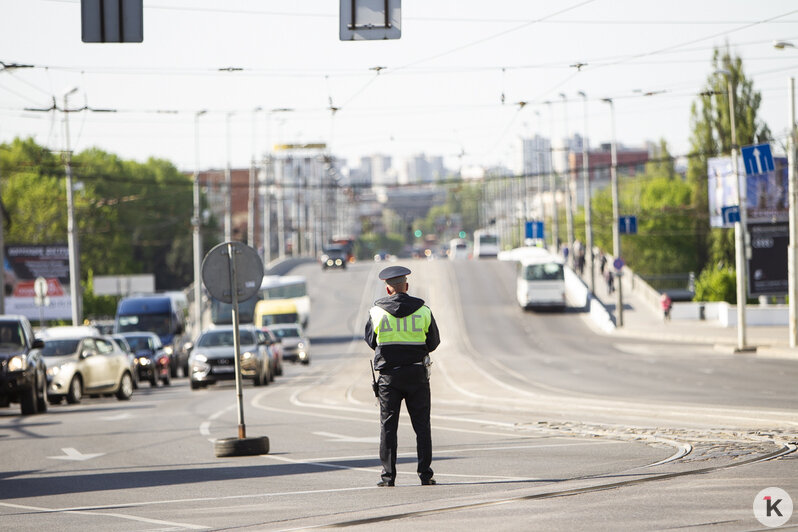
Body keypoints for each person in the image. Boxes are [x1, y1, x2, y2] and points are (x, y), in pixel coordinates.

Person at [364, 265, 440, 487]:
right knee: (422, 426)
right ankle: (425, 474)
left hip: (389, 378)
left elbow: (371, 341)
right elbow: (433, 342)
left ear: (388, 290)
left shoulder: (376, 312)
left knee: (388, 427)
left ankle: (388, 477)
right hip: (417, 375)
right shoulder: (423, 310)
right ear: (406, 287)